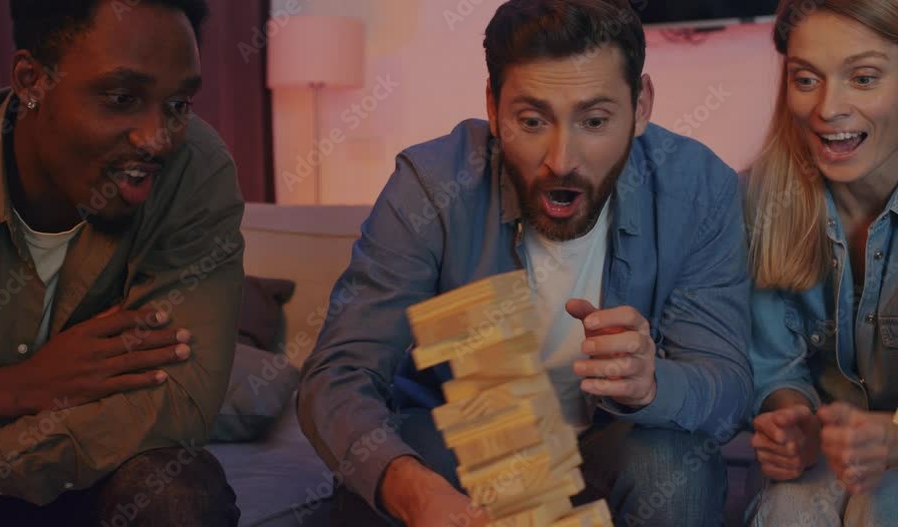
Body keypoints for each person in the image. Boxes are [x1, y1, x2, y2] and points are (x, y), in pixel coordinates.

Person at [297, 1, 754, 525]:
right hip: (470, 447)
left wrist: (652, 384)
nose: (562, 158)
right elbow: (337, 376)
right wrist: (416, 493)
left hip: (618, 447)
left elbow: (728, 389)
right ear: (492, 106)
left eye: (595, 120)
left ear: (642, 105)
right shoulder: (431, 185)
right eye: (532, 120)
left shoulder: (698, 189)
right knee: (376, 481)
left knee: (675, 466)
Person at [0, 1, 245, 525]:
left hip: (65, 478)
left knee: (176, 490)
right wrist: (22, 385)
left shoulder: (194, 172)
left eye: (177, 103)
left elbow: (177, 403)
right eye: (121, 97)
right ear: (31, 79)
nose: (157, 138)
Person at [745, 0, 898, 525]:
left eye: (863, 77)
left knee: (879, 507)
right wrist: (795, 421)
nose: (827, 108)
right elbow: (774, 362)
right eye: (806, 79)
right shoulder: (755, 202)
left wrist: (893, 439)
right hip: (829, 460)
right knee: (786, 509)